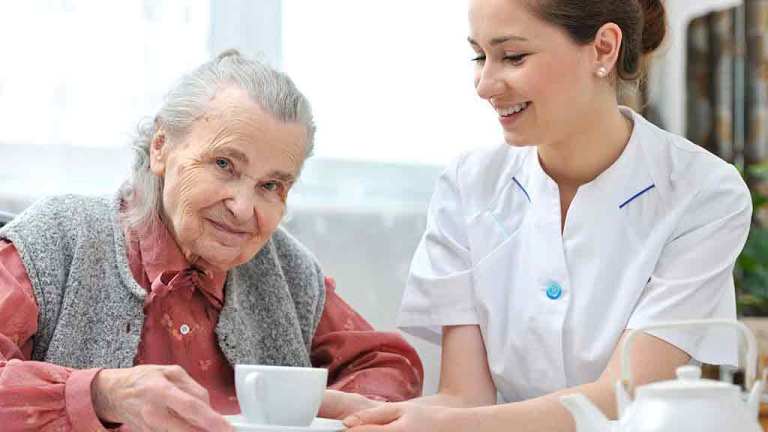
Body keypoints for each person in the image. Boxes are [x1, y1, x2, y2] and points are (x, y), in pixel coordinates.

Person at [329, 0, 753, 431]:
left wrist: (445, 426)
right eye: (480, 56)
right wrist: (336, 408)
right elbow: (466, 396)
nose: (484, 83)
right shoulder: (468, 184)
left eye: (512, 56)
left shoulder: (702, 191)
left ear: (603, 49)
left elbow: (626, 396)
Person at [0, 50, 423, 431]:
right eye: (224, 164)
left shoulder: (286, 270)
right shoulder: (58, 240)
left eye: (271, 185)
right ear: (161, 147)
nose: (242, 207)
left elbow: (386, 362)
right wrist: (101, 393)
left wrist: (342, 412)